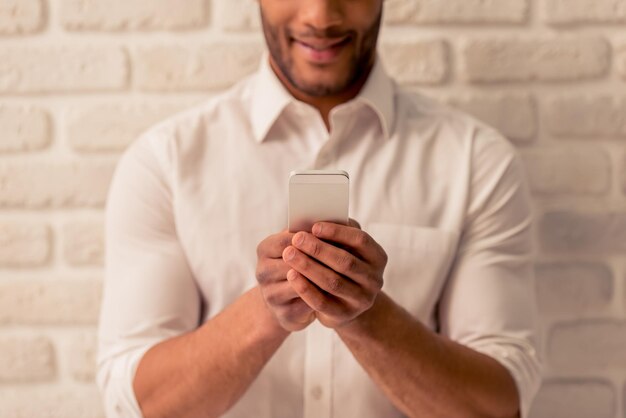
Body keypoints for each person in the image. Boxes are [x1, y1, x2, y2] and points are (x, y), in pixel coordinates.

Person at [97, 0, 542, 417]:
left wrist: (365, 314)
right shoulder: (166, 162)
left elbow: (499, 405)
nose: (321, 16)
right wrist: (269, 309)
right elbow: (137, 403)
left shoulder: (476, 163)